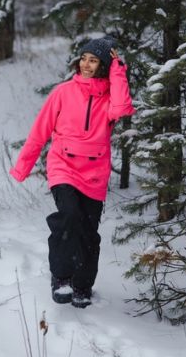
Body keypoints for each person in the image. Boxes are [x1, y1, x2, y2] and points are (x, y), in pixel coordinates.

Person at [9, 37, 135, 308]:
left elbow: (123, 108)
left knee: (89, 231)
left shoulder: (110, 97)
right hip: (63, 165)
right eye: (84, 58)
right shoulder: (63, 92)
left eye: (94, 60)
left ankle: (82, 285)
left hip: (95, 172)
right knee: (69, 216)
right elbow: (39, 132)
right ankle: (62, 278)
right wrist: (23, 167)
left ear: (103, 65)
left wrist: (118, 69)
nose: (87, 65)